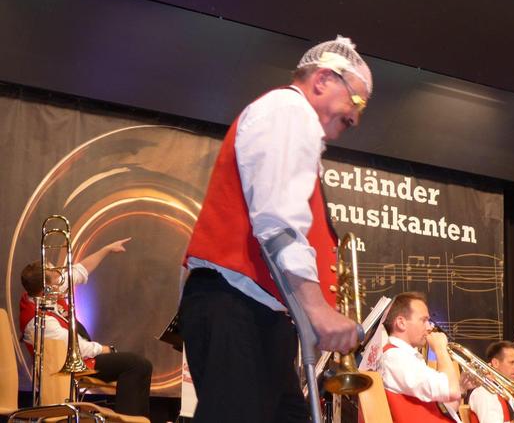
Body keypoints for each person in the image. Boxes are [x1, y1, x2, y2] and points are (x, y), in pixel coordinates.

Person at [178, 35, 372, 423]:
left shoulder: (290, 119)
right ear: (323, 80)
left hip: (258, 311)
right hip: (236, 304)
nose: (356, 117)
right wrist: (317, 310)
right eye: (356, 100)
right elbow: (278, 221)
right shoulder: (288, 111)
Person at [19, 238, 152, 417]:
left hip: (81, 357)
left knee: (141, 366)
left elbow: (80, 271)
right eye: (57, 277)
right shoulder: (38, 320)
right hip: (68, 367)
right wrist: (105, 349)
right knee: (136, 365)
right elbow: (75, 349)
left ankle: (138, 419)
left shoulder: (46, 292)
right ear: (46, 290)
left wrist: (106, 248)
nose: (62, 278)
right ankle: (126, 419)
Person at [380, 292, 462, 423]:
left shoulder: (405, 356)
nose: (429, 327)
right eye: (423, 320)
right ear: (401, 323)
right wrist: (440, 349)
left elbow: (446, 407)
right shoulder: (395, 357)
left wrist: (462, 387)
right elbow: (452, 390)